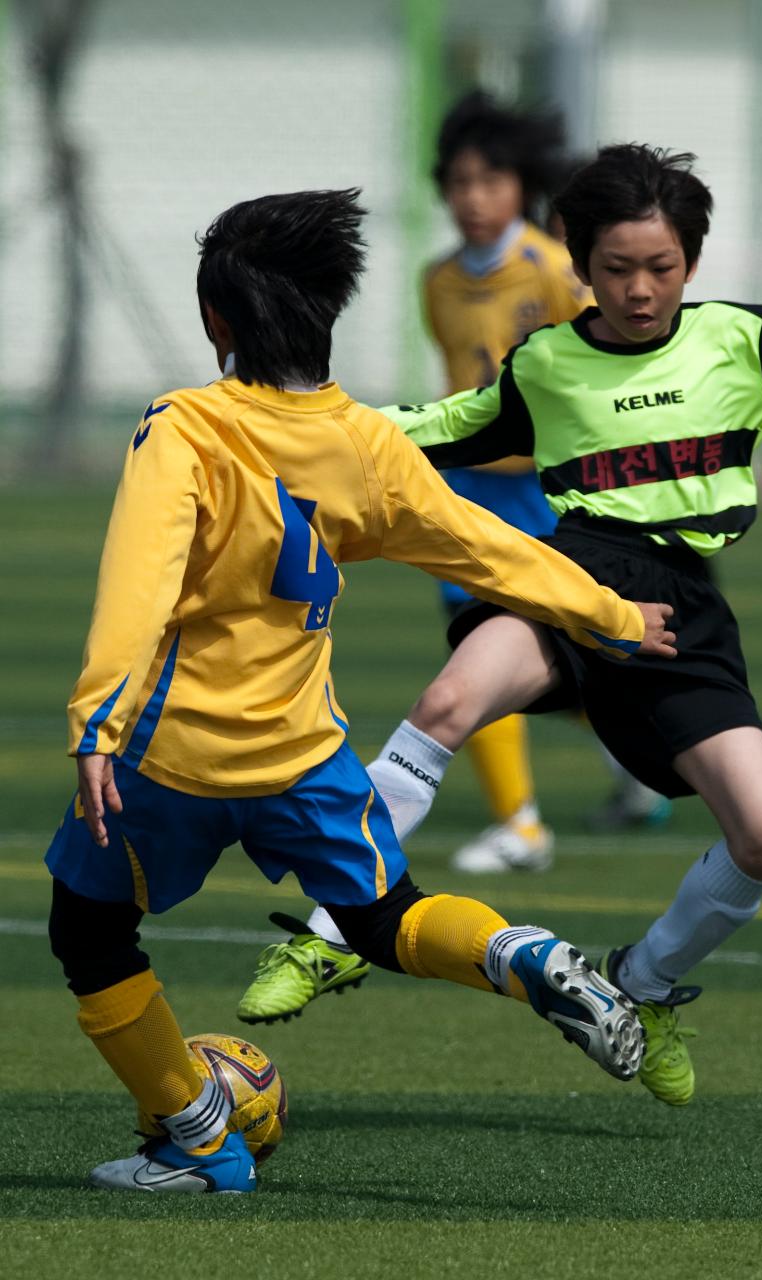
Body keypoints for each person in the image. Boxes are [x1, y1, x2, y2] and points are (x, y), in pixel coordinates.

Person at [44, 188, 676, 1193]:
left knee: (85, 928)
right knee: (385, 917)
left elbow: (138, 583)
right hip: (302, 754)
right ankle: (525, 955)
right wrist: (609, 613)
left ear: (219, 321)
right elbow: (488, 550)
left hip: (172, 755)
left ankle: (201, 1137)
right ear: (329, 311)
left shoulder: (186, 428)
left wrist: (96, 722)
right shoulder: (370, 443)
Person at [362, 143, 762, 1108]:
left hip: (681, 609)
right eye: (616, 268)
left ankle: (642, 984)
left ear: (691, 265)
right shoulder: (544, 363)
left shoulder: (748, 344)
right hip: (568, 583)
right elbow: (435, 426)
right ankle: (333, 929)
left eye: (660, 268)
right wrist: (298, 427)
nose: (639, 289)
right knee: (449, 700)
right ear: (578, 268)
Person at [233, 97, 667, 1029]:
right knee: (477, 649)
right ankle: (522, 821)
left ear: (520, 185)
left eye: (490, 180)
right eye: (459, 183)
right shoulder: (439, 280)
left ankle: (608, 775)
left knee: (566, 644)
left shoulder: (554, 270)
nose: (473, 198)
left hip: (550, 494)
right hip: (470, 494)